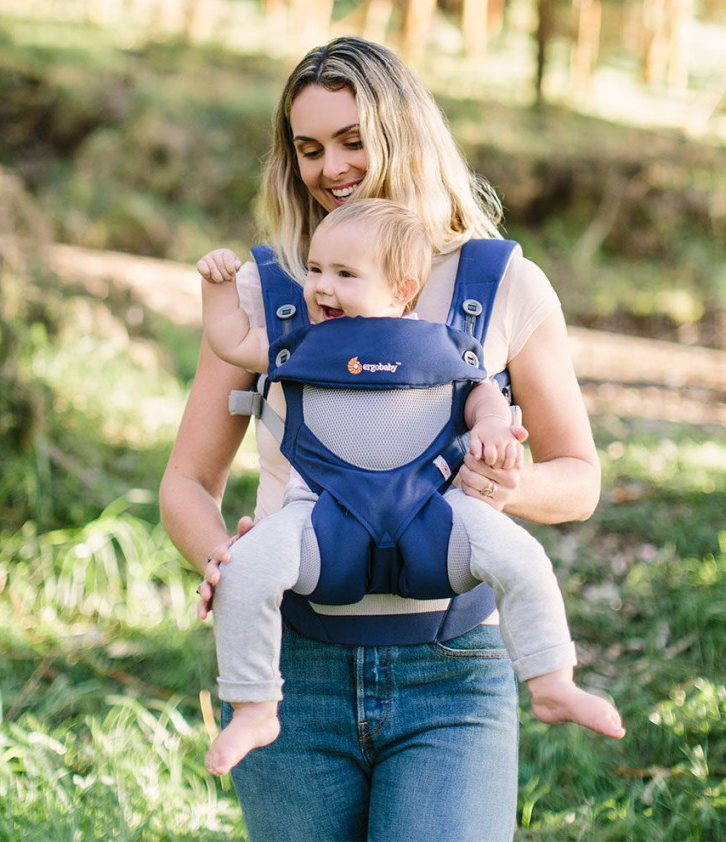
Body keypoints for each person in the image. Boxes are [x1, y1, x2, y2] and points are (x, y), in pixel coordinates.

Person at [161, 36, 619, 841]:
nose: (330, 168)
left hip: (451, 675)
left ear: (405, 134)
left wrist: (506, 483)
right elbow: (187, 484)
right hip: (293, 671)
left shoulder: (501, 284)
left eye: (351, 140)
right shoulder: (270, 291)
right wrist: (223, 561)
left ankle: (557, 681)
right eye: (309, 149)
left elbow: (579, 477)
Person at [197, 197, 624, 776]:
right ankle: (253, 706)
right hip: (320, 514)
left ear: (402, 290)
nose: (321, 286)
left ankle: (552, 681)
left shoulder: (438, 343)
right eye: (315, 269)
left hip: (434, 515)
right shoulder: (301, 342)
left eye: (345, 274)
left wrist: (493, 427)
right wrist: (218, 288)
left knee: (521, 557)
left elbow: (480, 393)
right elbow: (230, 341)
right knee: (245, 569)